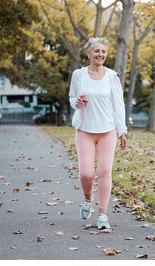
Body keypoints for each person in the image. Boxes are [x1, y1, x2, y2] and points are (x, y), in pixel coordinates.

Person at [68, 37, 127, 230]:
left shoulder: (112, 76)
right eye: (96, 51)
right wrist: (75, 102)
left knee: (103, 172)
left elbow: (118, 104)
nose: (100, 55)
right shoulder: (79, 75)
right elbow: (72, 96)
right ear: (89, 54)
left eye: (103, 52)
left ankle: (102, 214)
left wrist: (122, 131)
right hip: (85, 129)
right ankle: (87, 199)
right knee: (86, 172)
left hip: (107, 130)